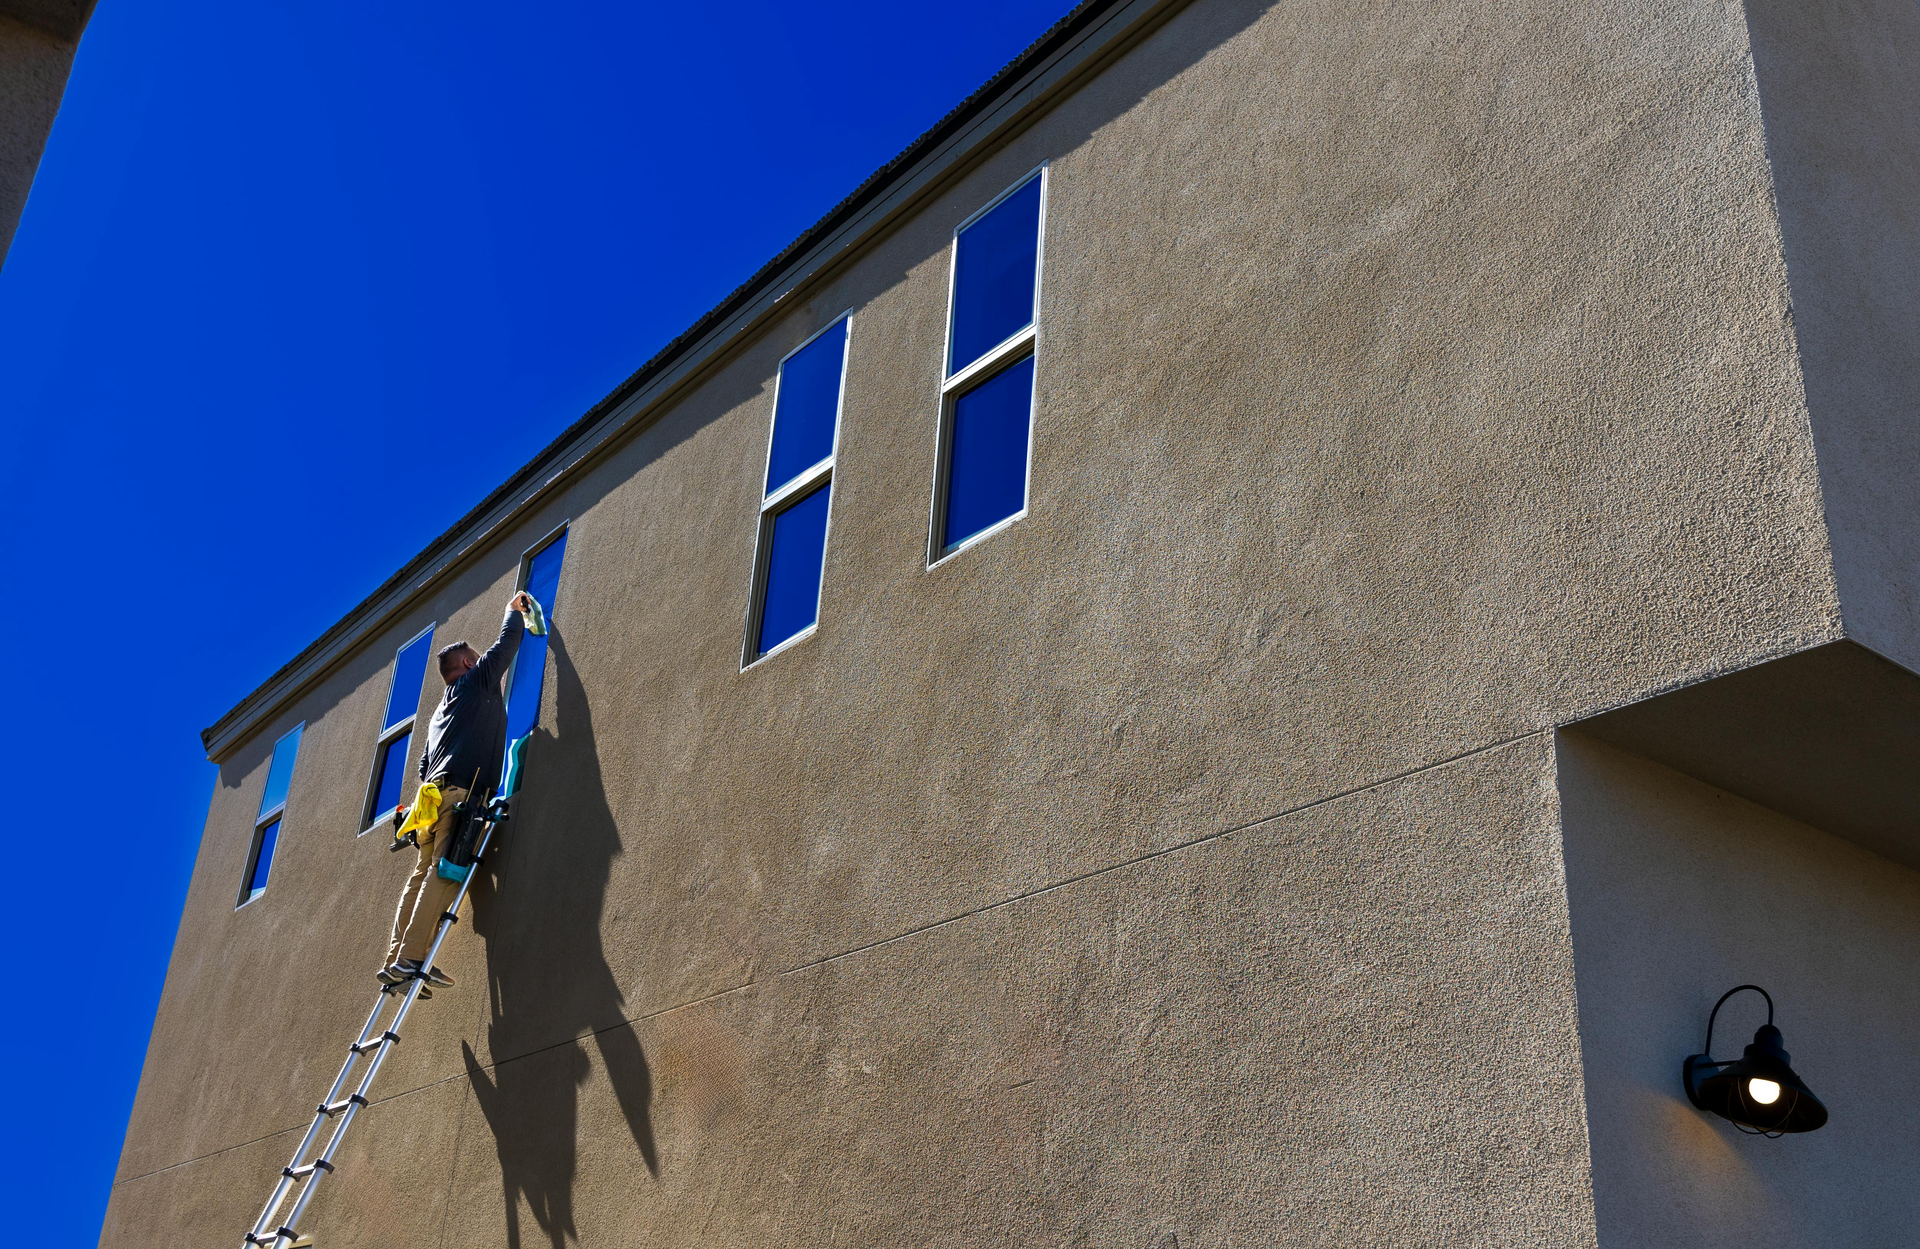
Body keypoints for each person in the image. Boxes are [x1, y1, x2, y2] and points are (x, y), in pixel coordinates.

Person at [380, 591, 533, 990]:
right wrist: (512, 612)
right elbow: (506, 646)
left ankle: (398, 955)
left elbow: (421, 766)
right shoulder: (475, 682)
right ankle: (413, 957)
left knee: (421, 875)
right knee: (445, 874)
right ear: (468, 664)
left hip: (429, 803)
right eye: (477, 657)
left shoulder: (439, 713)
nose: (483, 661)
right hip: (458, 794)